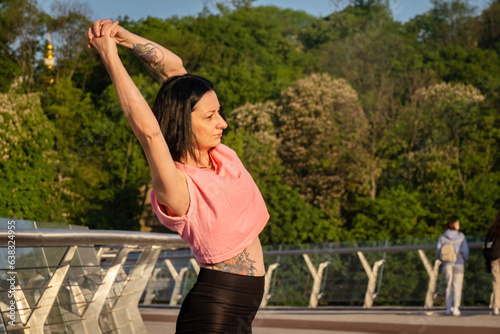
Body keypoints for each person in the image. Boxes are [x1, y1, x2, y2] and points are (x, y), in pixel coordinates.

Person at [87, 19, 269, 333]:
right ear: (184, 121)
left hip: (242, 307)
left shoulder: (219, 156)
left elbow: (174, 68)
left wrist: (124, 38)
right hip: (215, 313)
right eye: (210, 116)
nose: (222, 122)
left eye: (219, 112)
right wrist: (109, 56)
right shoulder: (178, 185)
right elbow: (149, 134)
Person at [436, 215, 469, 316]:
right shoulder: (461, 236)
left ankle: (448, 307)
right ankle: (456, 308)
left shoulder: (443, 237)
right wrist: (463, 259)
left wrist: (442, 260)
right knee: (457, 286)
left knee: (449, 285)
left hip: (447, 263)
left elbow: (438, 252)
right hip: (458, 263)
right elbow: (465, 251)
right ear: (454, 225)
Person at [484, 212, 500, 315]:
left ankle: (496, 306)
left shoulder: (492, 231)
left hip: (494, 259)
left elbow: (486, 247)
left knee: (497, 282)